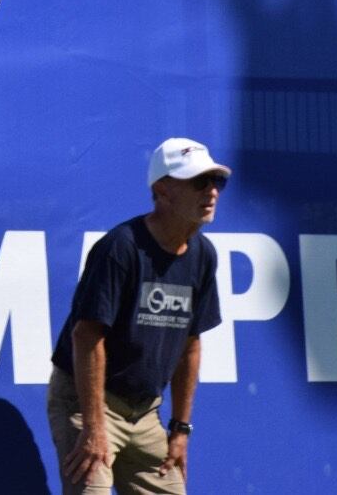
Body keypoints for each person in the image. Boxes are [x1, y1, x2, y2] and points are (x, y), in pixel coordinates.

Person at [45, 137, 229, 495]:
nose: (211, 192)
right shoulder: (121, 248)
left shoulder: (203, 256)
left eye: (216, 181)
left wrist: (180, 429)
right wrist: (95, 427)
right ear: (163, 190)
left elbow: (190, 345)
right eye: (198, 182)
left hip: (145, 414)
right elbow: (86, 336)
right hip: (88, 405)